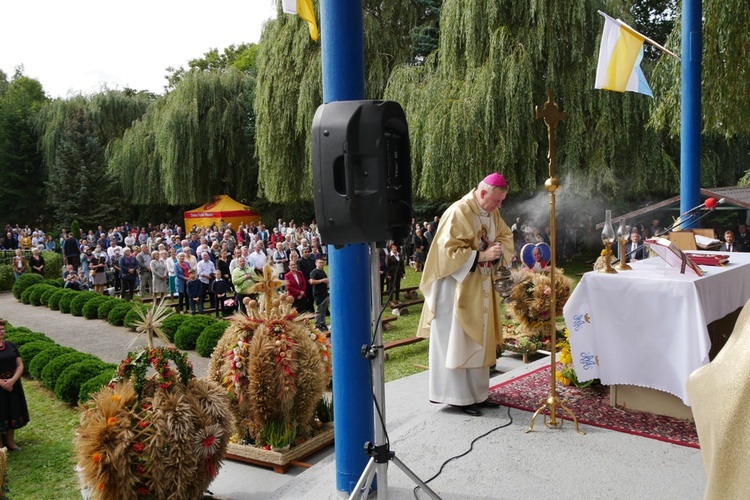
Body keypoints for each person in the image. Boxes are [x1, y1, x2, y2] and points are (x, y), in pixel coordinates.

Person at [417, 173, 513, 417]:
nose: (498, 207)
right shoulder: (458, 212)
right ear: (482, 193)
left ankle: (478, 394)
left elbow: (504, 235)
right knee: (457, 340)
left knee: (478, 337)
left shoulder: (491, 213)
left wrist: (498, 249)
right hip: (454, 289)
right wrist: (481, 256)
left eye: (501, 202)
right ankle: (457, 397)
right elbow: (446, 252)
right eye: (496, 201)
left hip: (479, 284)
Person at [0, 319, 29, 451]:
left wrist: (12, 380)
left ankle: (10, 442)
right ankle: (0, 446)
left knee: (12, 412)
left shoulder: (11, 346)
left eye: (2, 329)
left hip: (13, 385)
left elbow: (20, 365)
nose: (1, 332)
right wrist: (1, 382)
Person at [308, 258, 330, 331]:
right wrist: (322, 280)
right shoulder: (314, 272)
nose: (321, 264)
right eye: (320, 263)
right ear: (316, 263)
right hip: (318, 294)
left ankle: (323, 323)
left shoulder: (323, 271)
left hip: (325, 293)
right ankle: (317, 324)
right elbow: (311, 281)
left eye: (322, 263)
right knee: (319, 310)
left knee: (324, 310)